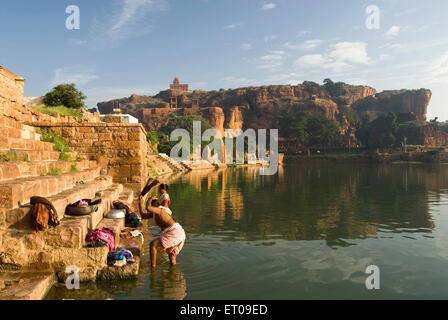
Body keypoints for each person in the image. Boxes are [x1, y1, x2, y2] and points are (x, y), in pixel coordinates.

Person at [139, 178, 186, 268]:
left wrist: (149, 199)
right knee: (172, 257)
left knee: (153, 244)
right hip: (178, 232)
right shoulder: (155, 213)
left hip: (175, 231)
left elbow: (148, 208)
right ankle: (174, 277)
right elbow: (143, 216)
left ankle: (153, 267)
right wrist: (140, 203)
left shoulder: (161, 211)